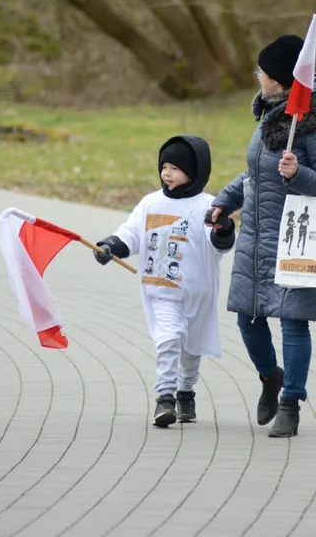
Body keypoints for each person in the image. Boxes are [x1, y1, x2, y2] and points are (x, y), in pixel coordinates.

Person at [206, 34, 316, 438]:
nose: (256, 77)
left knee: (292, 322)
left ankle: (291, 401)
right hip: (256, 234)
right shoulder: (271, 113)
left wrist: (299, 174)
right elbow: (255, 173)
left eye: (262, 72)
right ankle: (270, 377)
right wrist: (224, 201)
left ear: (282, 80)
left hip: (297, 238)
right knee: (248, 319)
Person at [94, 135, 236, 427]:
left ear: (194, 171)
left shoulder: (209, 205)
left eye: (174, 168)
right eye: (164, 167)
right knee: (169, 337)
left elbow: (220, 246)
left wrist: (223, 231)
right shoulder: (150, 203)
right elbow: (132, 234)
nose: (166, 174)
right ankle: (165, 398)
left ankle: (186, 391)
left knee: (192, 348)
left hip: (198, 291)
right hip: (161, 289)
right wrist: (111, 246)